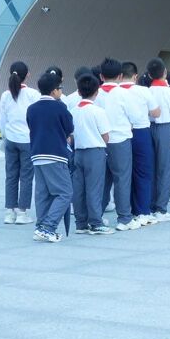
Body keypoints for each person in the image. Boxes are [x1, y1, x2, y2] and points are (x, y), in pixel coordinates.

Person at [27, 69, 74, 243]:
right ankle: (48, 227)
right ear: (54, 91)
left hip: (37, 155)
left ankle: (41, 226)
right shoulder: (60, 107)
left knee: (43, 193)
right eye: (60, 88)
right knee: (65, 193)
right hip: (56, 154)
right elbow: (69, 128)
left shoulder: (31, 108)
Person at [70, 73, 114, 235]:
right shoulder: (98, 111)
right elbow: (106, 136)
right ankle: (95, 222)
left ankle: (81, 223)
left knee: (79, 189)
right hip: (95, 152)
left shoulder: (73, 111)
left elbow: (71, 134)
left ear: (79, 92)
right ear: (97, 91)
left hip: (78, 152)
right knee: (94, 189)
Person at [96, 58, 137, 230]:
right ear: (120, 76)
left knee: (101, 181)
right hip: (120, 141)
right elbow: (135, 117)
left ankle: (96, 217)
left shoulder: (95, 93)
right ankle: (124, 218)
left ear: (101, 76)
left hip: (99, 143)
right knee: (122, 180)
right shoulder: (124, 94)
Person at [0, 61, 40, 227]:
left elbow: (3, 120)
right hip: (27, 140)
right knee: (26, 177)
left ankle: (10, 212)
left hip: (10, 139)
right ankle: (22, 212)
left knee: (11, 176)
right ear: (27, 74)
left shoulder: (5, 95)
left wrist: (5, 137)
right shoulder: (33, 94)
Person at [119, 61, 161, 224]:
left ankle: (126, 210)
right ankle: (142, 211)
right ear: (135, 76)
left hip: (120, 134)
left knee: (124, 174)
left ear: (120, 76)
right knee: (143, 172)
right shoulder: (143, 91)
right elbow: (156, 113)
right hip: (141, 132)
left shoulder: (113, 92)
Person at [145, 58, 170, 223]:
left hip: (149, 128)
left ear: (149, 75)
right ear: (165, 72)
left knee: (151, 168)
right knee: (164, 169)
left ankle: (150, 206)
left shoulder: (147, 91)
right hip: (165, 128)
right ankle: (161, 209)